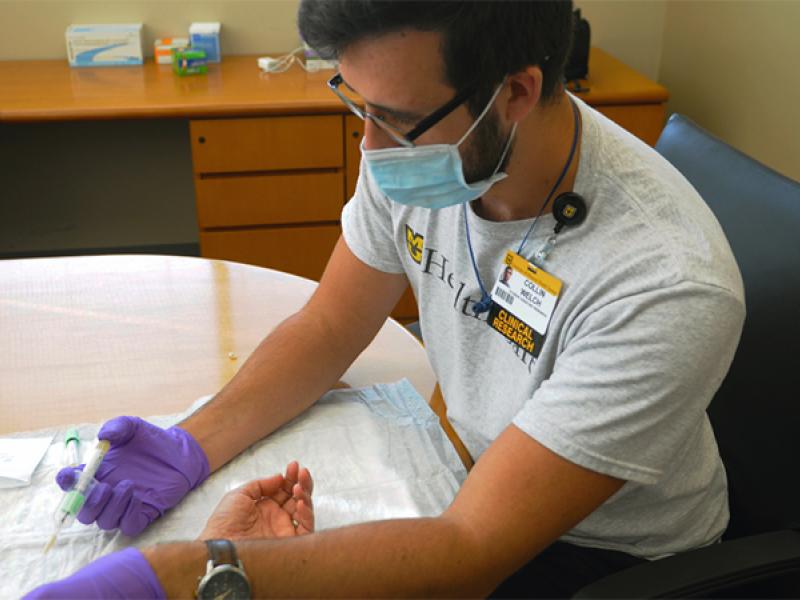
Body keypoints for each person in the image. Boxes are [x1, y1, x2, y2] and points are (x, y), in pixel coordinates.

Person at [26, 0, 745, 597]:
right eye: (358, 103)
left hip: (601, 557)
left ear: (516, 92)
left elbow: (471, 553)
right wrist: (193, 441)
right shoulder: (432, 145)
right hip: (468, 471)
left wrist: (191, 574)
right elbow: (332, 323)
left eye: (395, 117)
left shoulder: (667, 282)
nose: (370, 147)